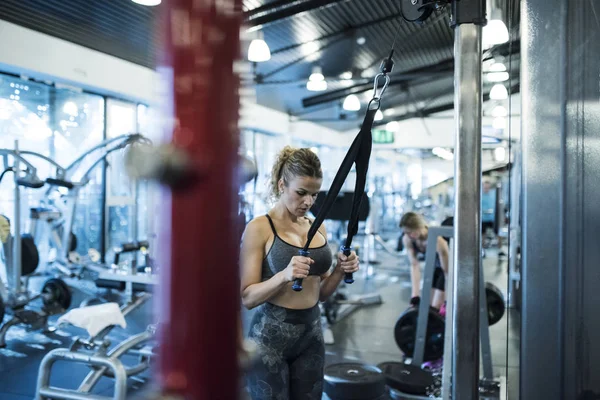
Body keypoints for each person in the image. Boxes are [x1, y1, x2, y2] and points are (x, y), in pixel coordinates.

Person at [240, 146, 360, 400]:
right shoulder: (260, 227)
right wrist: (284, 275)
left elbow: (322, 293)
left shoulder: (318, 228)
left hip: (311, 336)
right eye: (301, 193)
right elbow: (248, 298)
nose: (308, 202)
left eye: (314, 195)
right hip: (269, 341)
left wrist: (340, 269)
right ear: (282, 185)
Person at [399, 212, 449, 312]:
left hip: (445, 268)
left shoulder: (438, 240)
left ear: (419, 226)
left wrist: (448, 299)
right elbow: (414, 265)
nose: (410, 235)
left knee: (437, 307)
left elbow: (447, 271)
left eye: (411, 232)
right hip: (432, 268)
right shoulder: (407, 239)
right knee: (428, 308)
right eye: (406, 233)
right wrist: (415, 295)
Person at [482, 180, 505, 258]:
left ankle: (500, 249)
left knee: (499, 233)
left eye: (487, 187)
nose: (486, 189)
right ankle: (482, 250)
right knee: (482, 235)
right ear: (483, 187)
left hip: (492, 218)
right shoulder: (480, 195)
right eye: (485, 188)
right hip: (483, 218)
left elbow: (498, 205)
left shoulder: (493, 194)